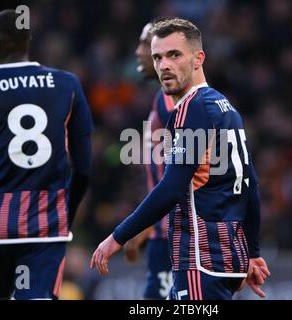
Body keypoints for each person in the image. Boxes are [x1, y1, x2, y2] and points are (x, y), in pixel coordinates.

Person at [91, 18, 269, 300]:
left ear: (198, 58)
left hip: (200, 260)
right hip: (226, 259)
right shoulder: (226, 107)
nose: (163, 65)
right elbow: (251, 187)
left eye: (174, 55)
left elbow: (172, 188)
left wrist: (117, 236)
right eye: (158, 57)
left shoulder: (190, 109)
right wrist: (253, 252)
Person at [0, 9, 93, 299]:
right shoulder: (67, 84)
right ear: (29, 41)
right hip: (46, 224)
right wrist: (69, 209)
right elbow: (84, 168)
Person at [122, 20, 175, 300]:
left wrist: (142, 226)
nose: (137, 52)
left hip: (178, 237)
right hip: (164, 235)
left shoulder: (175, 103)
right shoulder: (162, 100)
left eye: (145, 44)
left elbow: (188, 177)